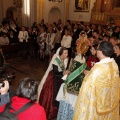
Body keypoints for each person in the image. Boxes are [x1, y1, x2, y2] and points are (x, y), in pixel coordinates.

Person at [73, 41, 120, 120]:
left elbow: (87, 88)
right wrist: (90, 74)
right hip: (110, 102)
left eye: (97, 49)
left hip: (98, 106)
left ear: (100, 52)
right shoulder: (114, 64)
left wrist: (87, 75)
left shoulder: (98, 69)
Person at [56, 33, 89, 120]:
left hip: (71, 88)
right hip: (78, 88)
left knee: (67, 105)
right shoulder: (83, 60)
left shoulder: (78, 60)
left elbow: (72, 71)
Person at [38, 47, 69, 120]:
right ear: (61, 53)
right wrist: (63, 73)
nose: (67, 54)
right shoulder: (56, 60)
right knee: (51, 94)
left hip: (60, 78)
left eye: (67, 53)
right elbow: (55, 72)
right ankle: (50, 112)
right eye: (65, 53)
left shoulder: (66, 59)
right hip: (53, 78)